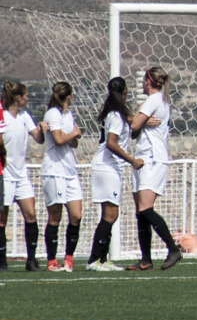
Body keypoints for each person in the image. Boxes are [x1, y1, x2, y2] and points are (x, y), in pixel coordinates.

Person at [126, 67, 182, 271]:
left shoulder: (153, 100)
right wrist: (140, 123)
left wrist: (138, 121)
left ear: (148, 81)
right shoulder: (160, 101)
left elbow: (133, 126)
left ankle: (173, 248)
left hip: (152, 158)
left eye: (143, 80)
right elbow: (135, 132)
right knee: (140, 212)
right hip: (143, 158)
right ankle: (146, 259)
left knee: (145, 209)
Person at [86, 77, 145, 271]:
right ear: (125, 92)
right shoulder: (116, 116)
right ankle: (94, 260)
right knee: (111, 215)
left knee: (109, 214)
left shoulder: (113, 113)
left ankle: (102, 260)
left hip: (106, 167)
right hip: (107, 167)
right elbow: (111, 143)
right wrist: (132, 160)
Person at [0, 82, 47, 272]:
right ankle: (2, 261)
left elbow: (38, 138)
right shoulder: (2, 114)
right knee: (2, 219)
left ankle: (32, 260)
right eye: (26, 95)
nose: (28, 98)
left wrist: (42, 129)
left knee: (31, 214)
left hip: (21, 174)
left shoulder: (24, 116)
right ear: (18, 97)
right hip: (5, 174)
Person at [40, 81, 83, 272]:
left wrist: (75, 136)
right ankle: (51, 262)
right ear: (69, 97)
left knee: (76, 215)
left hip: (69, 170)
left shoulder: (68, 115)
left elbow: (71, 144)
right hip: (54, 171)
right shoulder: (52, 114)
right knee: (55, 218)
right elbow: (58, 140)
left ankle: (68, 259)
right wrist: (73, 133)